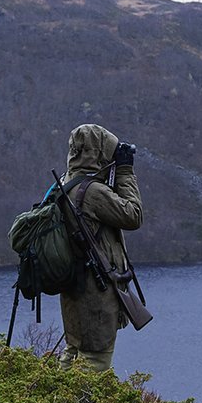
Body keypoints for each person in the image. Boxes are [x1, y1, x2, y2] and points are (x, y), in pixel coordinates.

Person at [57, 123, 143, 372]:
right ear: (99, 153)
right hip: (95, 295)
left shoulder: (67, 183)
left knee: (74, 349)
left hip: (75, 291)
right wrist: (125, 171)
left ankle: (51, 401)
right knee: (95, 361)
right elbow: (133, 215)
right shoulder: (92, 192)